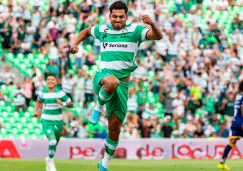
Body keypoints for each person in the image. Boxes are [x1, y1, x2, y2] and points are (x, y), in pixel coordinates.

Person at [70, 1, 162, 170]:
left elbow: (157, 37)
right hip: (103, 77)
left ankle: (104, 163)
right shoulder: (102, 30)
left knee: (115, 128)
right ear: (109, 16)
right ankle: (97, 109)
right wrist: (76, 43)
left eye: (121, 16)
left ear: (126, 17)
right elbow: (85, 31)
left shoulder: (135, 30)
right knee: (112, 81)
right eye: (114, 16)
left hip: (123, 87)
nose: (117, 19)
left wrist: (152, 24)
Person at [34, 75, 73, 171]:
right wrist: (37, 112)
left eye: (52, 79)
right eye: (48, 79)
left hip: (58, 122)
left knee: (55, 143)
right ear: (46, 81)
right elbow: (38, 102)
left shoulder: (60, 93)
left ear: (56, 82)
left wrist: (63, 103)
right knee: (52, 141)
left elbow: (71, 104)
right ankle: (51, 162)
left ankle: (49, 158)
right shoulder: (42, 92)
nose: (50, 81)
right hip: (46, 120)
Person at [217, 80, 243, 170]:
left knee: (232, 142)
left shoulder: (238, 97)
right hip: (241, 123)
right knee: (232, 142)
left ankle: (222, 162)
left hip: (235, 122)